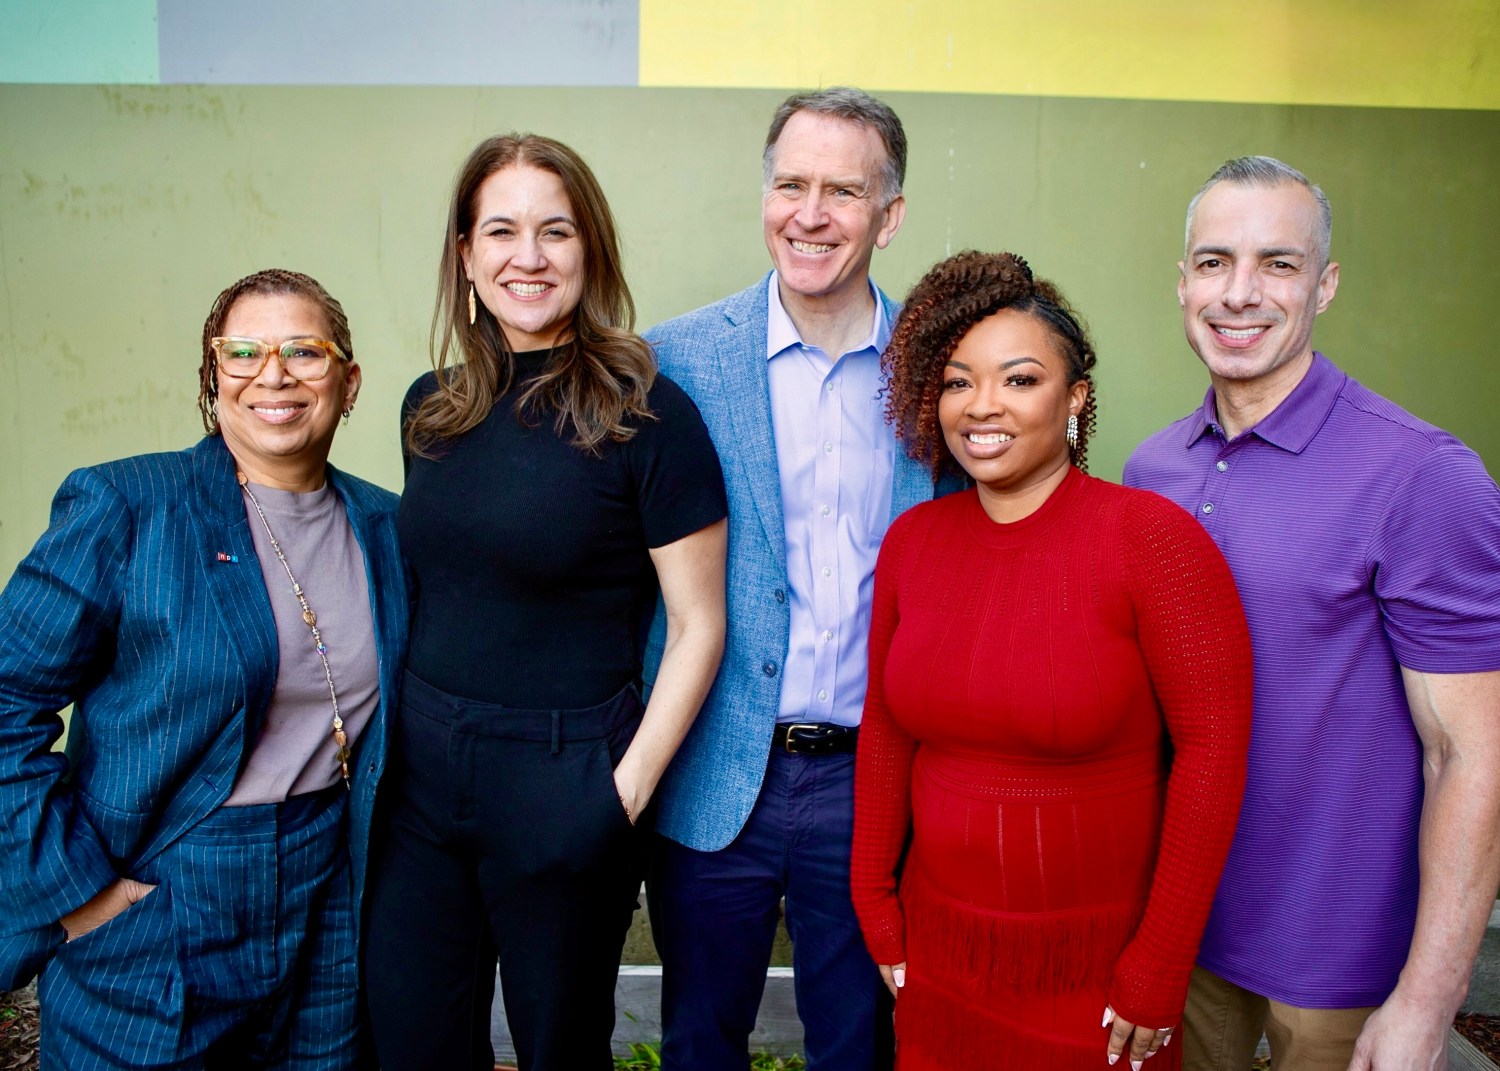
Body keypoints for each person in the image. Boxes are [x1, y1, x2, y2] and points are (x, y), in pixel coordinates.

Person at [1124, 156, 1500, 1071]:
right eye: (1213, 262)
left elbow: (1473, 754)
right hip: (1189, 930)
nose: (1239, 293)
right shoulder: (1152, 471)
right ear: (1182, 283)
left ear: (1324, 285)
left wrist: (1426, 999)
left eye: (1278, 264)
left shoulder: (1422, 474)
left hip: (1339, 963)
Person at [362, 133, 728, 1071]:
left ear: (590, 249)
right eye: (502, 231)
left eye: (555, 231)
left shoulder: (649, 414)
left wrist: (622, 794)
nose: (529, 256)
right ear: (466, 256)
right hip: (423, 783)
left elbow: (697, 625)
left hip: (568, 776)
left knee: (561, 1048)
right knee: (410, 1042)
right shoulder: (429, 408)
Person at [851, 250, 1254, 1071]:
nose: (982, 406)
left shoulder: (1153, 539)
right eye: (959, 381)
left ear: (1074, 399)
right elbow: (888, 729)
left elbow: (1214, 755)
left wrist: (1159, 963)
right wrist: (875, 902)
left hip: (1098, 976)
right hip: (940, 959)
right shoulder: (913, 543)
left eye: (1019, 379)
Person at [0, 268, 406, 1068]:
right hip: (166, 887)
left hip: (329, 889)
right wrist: (82, 896)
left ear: (349, 380)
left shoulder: (387, 524)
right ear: (212, 376)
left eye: (305, 350)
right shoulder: (129, 504)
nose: (274, 373)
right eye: (244, 350)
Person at [644, 87, 954, 1071]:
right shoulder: (676, 362)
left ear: (889, 215)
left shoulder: (942, 369)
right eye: (790, 185)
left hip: (873, 776)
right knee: (699, 1038)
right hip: (716, 766)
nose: (810, 214)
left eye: (842, 191)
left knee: (858, 1042)